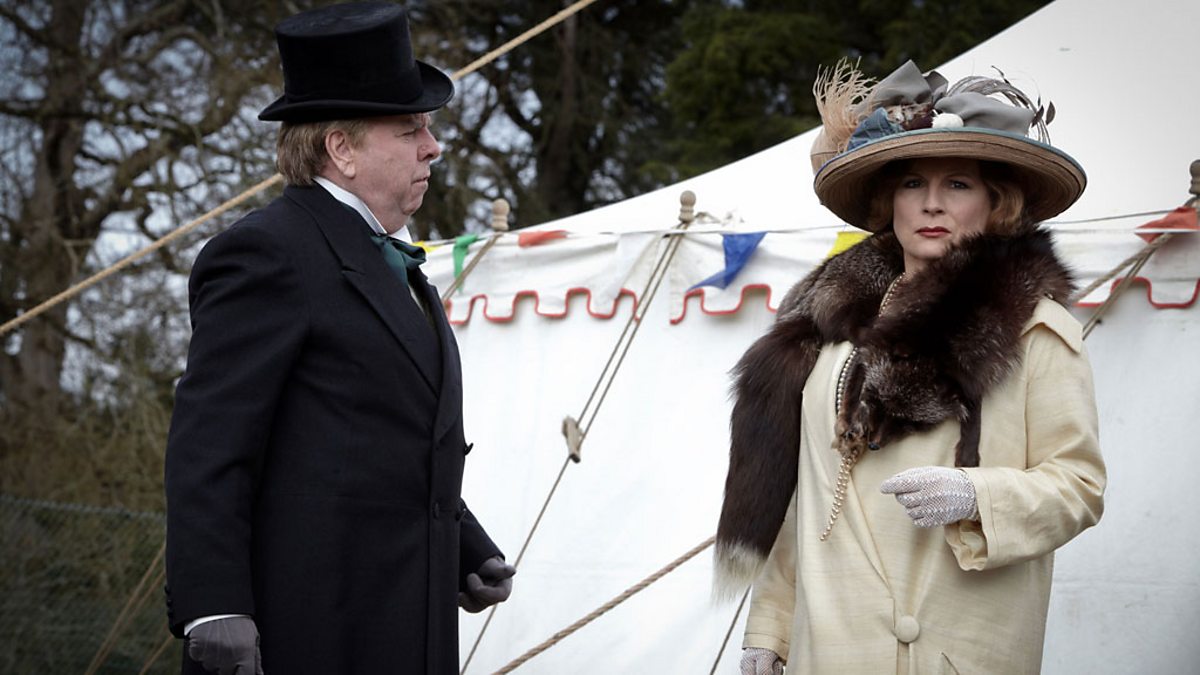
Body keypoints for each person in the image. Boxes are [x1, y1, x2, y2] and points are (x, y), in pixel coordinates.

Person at [713, 60, 1106, 674]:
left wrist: (977, 495)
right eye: (912, 183)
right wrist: (771, 625)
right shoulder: (831, 329)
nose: (931, 204)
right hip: (831, 645)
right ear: (888, 199)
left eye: (958, 185)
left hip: (951, 646)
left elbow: (1079, 485)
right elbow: (808, 492)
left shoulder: (1035, 330)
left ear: (996, 202)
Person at [163, 4, 514, 673]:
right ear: (341, 149)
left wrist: (463, 545)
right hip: (310, 628)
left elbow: (377, 438)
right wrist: (213, 603)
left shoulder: (389, 258)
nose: (433, 146)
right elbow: (210, 445)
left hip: (400, 619)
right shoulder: (267, 252)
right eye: (410, 128)